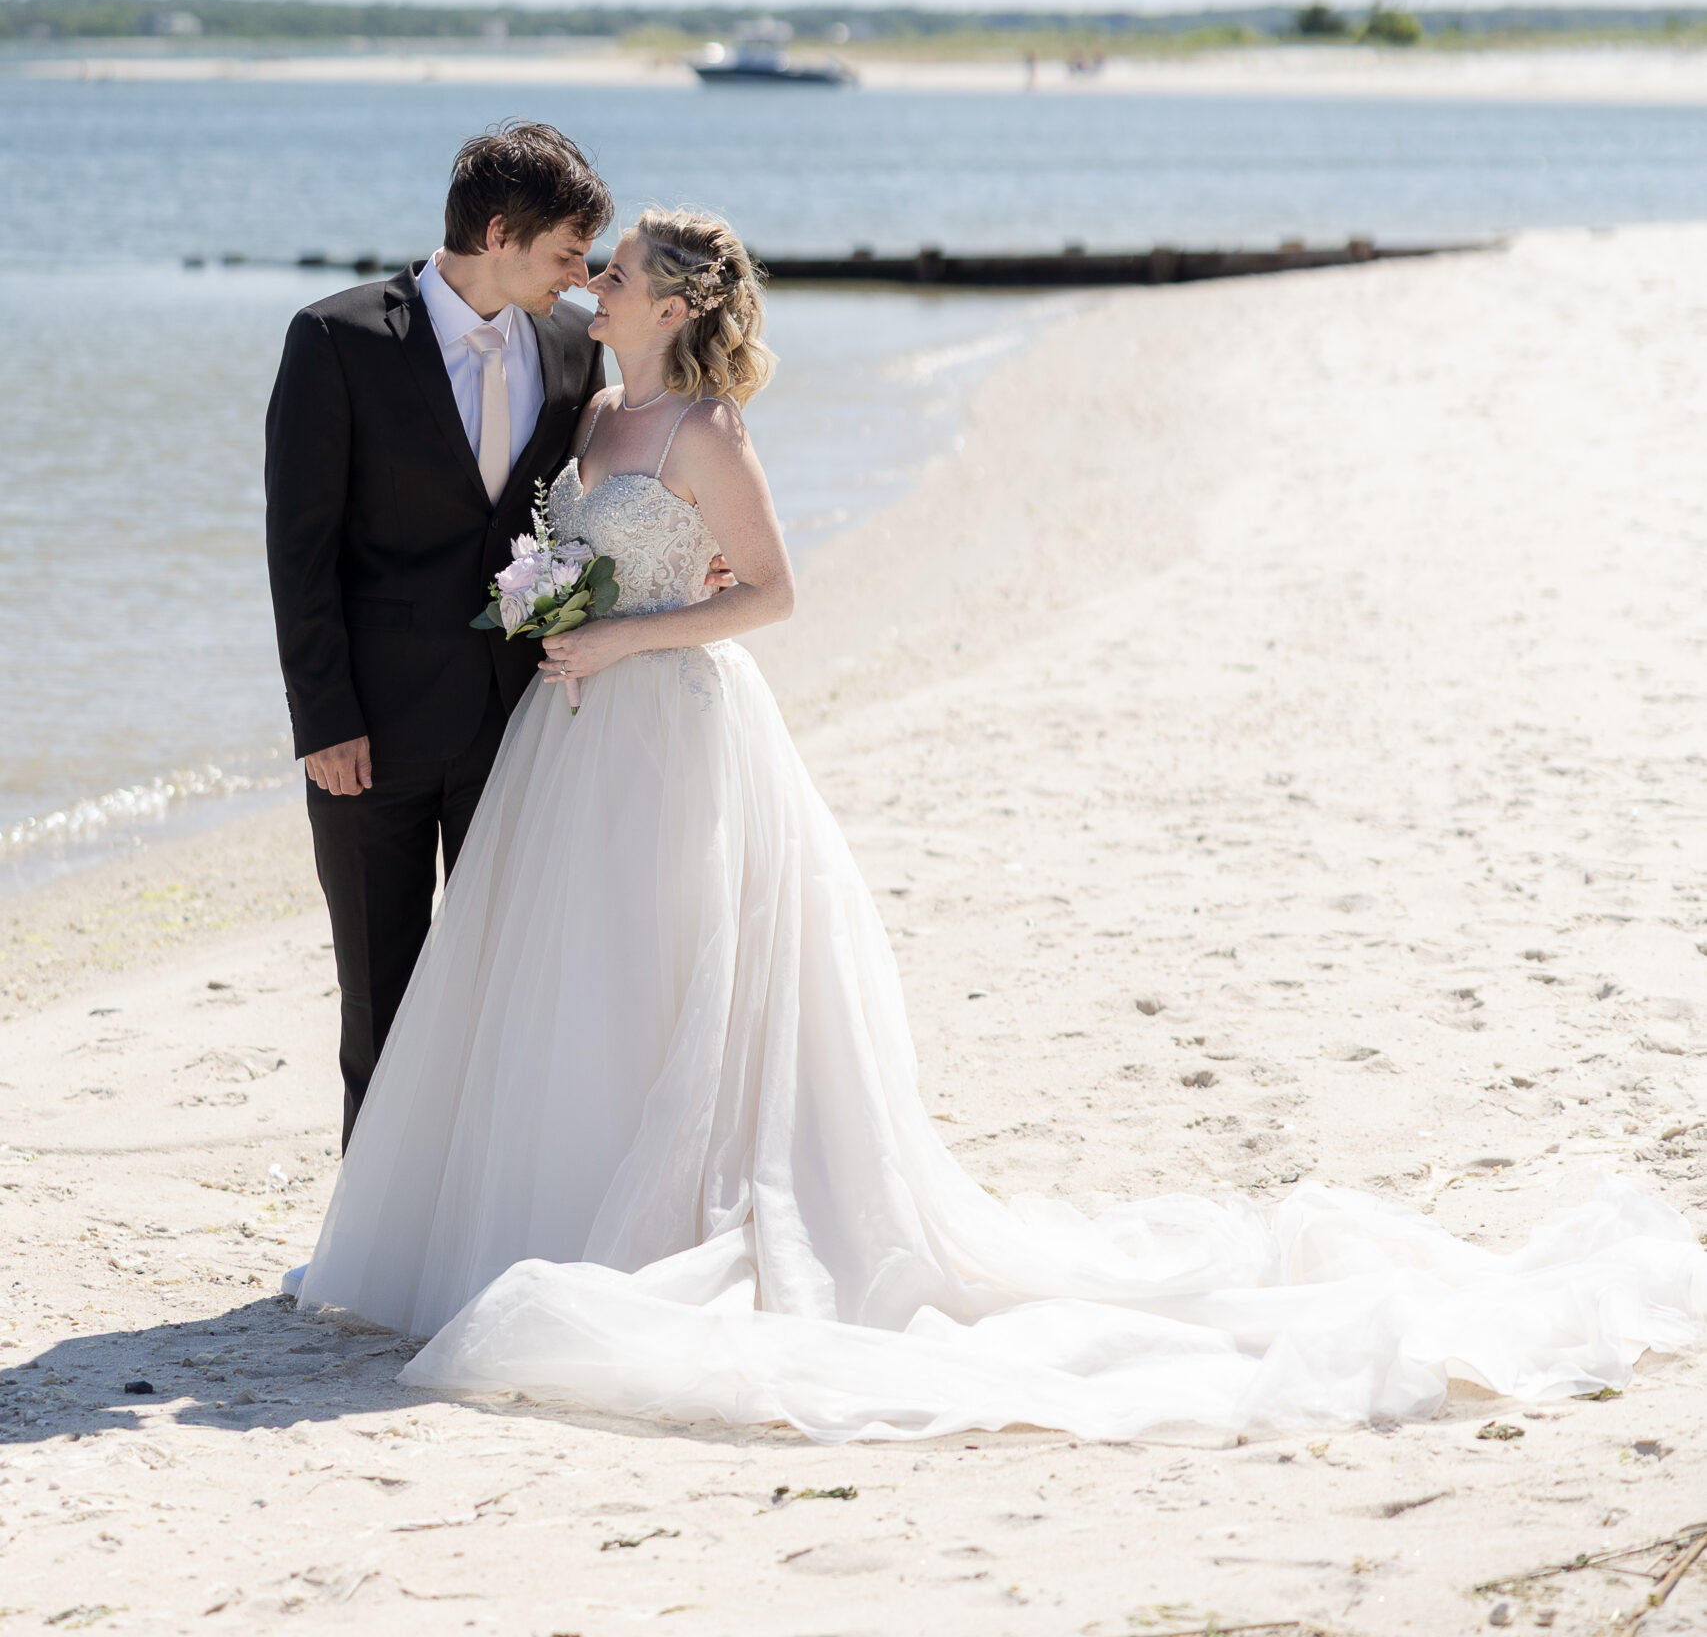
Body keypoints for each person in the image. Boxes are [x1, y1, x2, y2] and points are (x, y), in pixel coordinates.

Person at [292, 205, 1707, 1442]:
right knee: (576, 986)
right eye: (593, 265)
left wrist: (625, 636)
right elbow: (550, 540)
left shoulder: (708, 432)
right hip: (569, 739)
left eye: (619, 269)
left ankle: (658, 1225)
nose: (594, 281)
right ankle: (542, 1219)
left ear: (671, 304)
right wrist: (558, 614)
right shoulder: (593, 407)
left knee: (679, 984)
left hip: (668, 729)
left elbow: (772, 594)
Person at [264, 120, 612, 1146]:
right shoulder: (336, 339)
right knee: (382, 994)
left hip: (516, 724)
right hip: (369, 736)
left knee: (504, 984)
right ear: (499, 233)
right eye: (566, 254)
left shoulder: (569, 348)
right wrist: (324, 719)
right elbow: (298, 551)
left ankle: (477, 1207)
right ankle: (375, 1220)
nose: (581, 278)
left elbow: (587, 507)